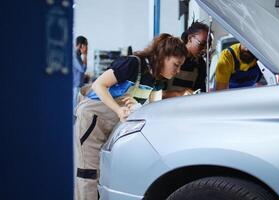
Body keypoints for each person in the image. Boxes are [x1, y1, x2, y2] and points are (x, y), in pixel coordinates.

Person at [74, 33, 187, 200]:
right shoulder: (133, 64)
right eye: (176, 65)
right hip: (93, 120)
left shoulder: (157, 79)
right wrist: (118, 109)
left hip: (115, 126)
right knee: (88, 173)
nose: (177, 71)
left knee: (105, 174)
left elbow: (153, 108)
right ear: (164, 56)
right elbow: (99, 85)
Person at [163, 21, 211, 98]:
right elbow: (154, 95)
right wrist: (179, 94)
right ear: (190, 38)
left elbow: (200, 92)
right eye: (202, 44)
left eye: (208, 46)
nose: (204, 49)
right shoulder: (170, 55)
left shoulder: (200, 64)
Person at [73, 36, 88, 109]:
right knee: (75, 109)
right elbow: (83, 69)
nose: (87, 47)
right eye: (86, 45)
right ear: (80, 45)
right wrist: (85, 55)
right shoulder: (74, 56)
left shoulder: (78, 55)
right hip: (76, 87)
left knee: (78, 108)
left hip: (79, 86)